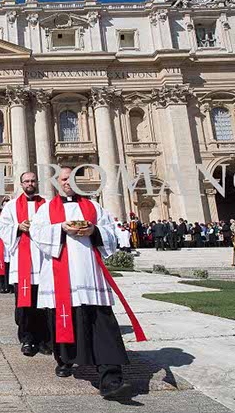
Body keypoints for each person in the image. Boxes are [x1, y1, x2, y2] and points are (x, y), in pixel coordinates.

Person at [30, 167, 146, 399]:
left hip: (90, 275)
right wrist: (60, 228)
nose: (68, 182)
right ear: (57, 182)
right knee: (63, 321)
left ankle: (111, 379)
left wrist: (94, 230)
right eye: (64, 178)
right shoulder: (46, 210)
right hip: (59, 277)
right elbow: (37, 234)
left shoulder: (94, 207)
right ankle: (65, 359)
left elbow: (112, 233)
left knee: (102, 324)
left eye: (72, 178)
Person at [0, 172, 50, 357]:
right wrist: (18, 227)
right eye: (26, 181)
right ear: (21, 184)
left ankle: (44, 340)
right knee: (24, 304)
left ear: (37, 182)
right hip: (22, 262)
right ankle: (27, 339)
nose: (30, 183)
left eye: (33, 180)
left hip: (44, 261)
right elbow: (2, 228)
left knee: (44, 303)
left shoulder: (47, 205)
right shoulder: (11, 206)